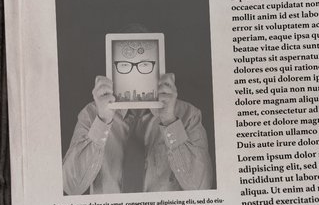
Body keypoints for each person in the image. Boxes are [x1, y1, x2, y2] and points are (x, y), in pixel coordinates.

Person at [61, 66, 213, 194]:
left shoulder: (188, 115)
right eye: (124, 65)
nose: (136, 72)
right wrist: (102, 121)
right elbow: (71, 187)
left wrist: (169, 121)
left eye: (145, 65)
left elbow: (201, 189)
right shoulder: (91, 114)